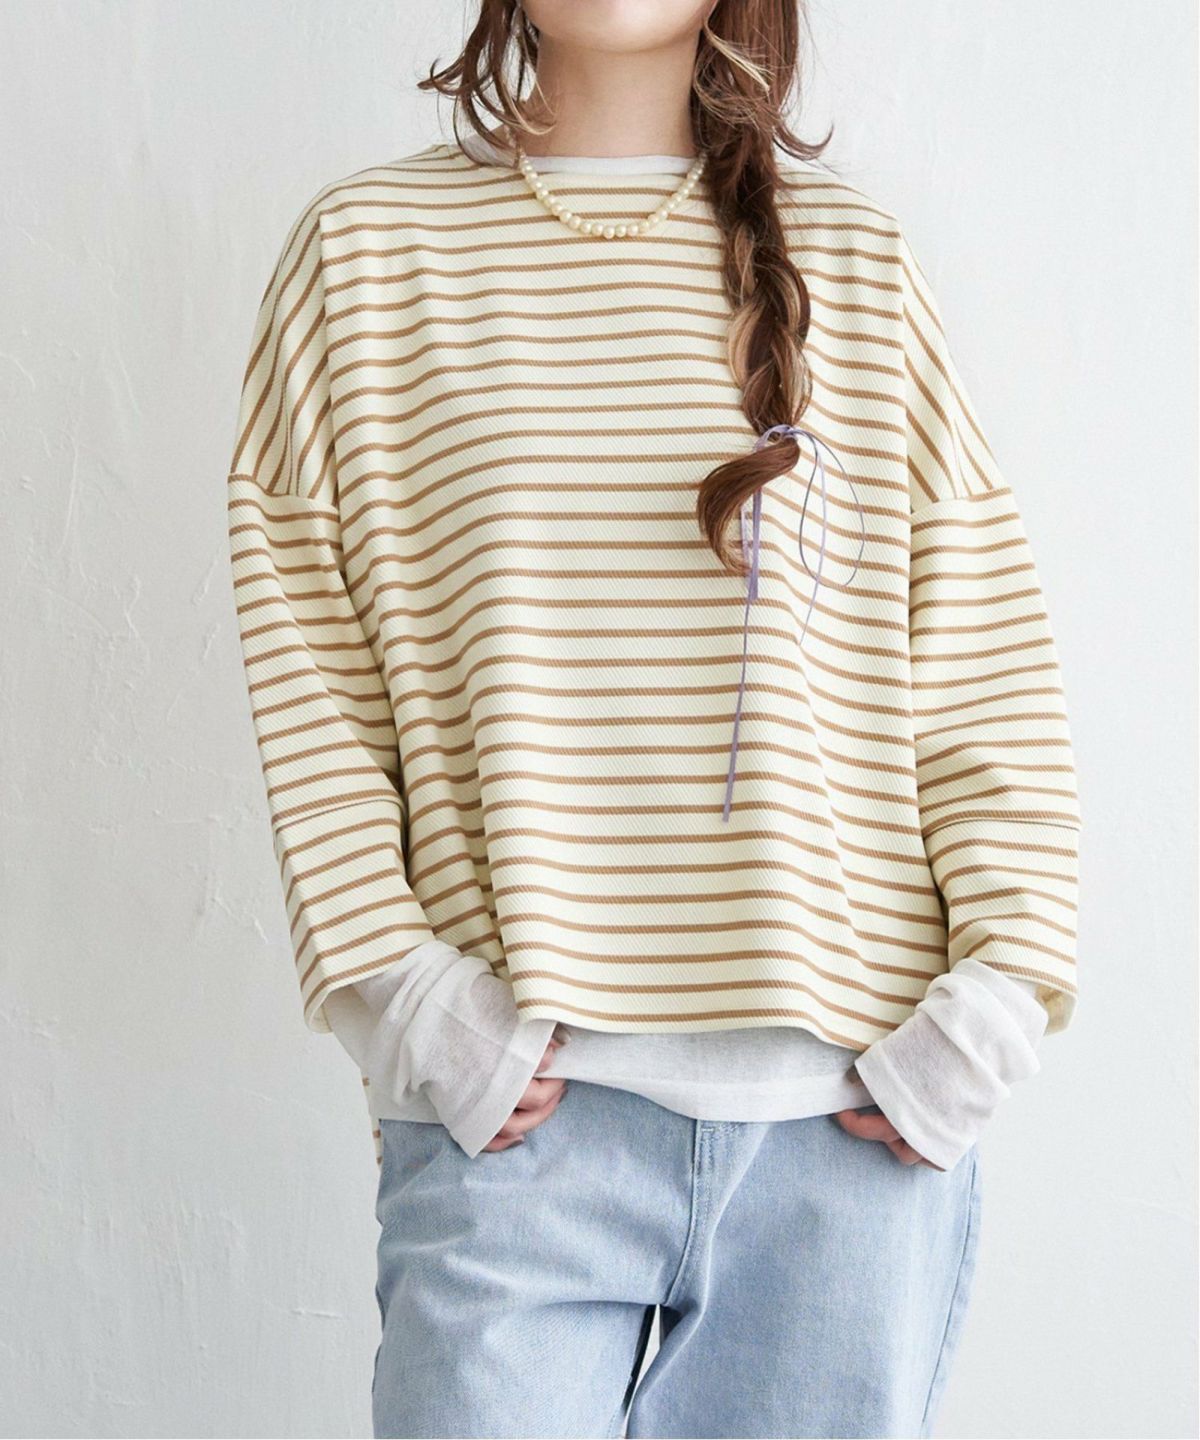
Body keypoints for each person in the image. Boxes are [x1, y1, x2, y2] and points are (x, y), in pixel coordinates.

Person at [224, 2, 1082, 1435]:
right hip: (514, 1134)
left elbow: (982, 668)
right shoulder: (365, 257)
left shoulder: (855, 262)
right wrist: (411, 1002)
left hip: (848, 1146)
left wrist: (992, 1006)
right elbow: (311, 668)